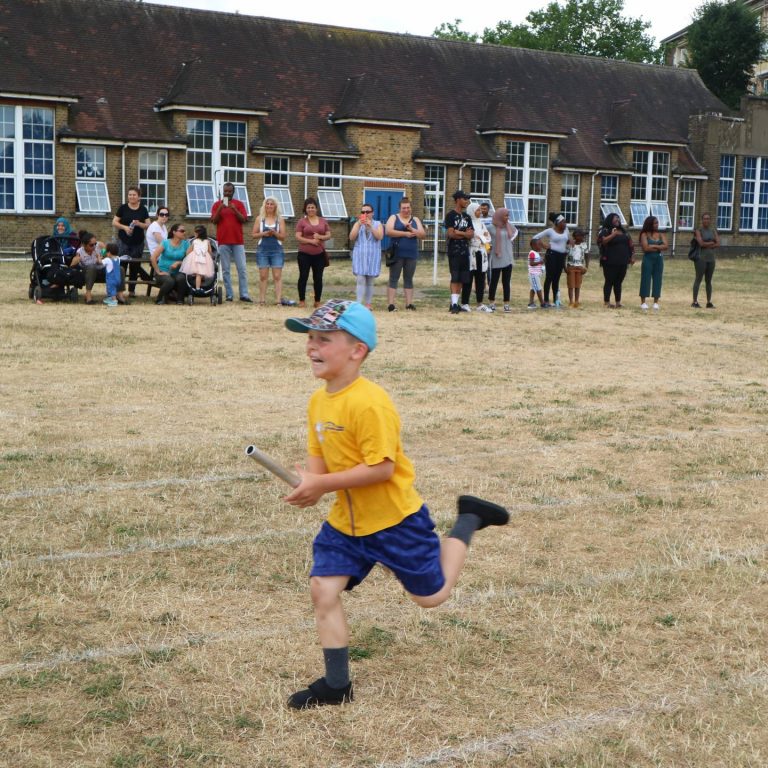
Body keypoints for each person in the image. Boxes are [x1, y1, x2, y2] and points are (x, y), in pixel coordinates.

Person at [282, 298, 510, 709]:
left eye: (324, 339)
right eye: (310, 337)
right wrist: (309, 486)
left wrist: (322, 483)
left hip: (394, 521)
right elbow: (320, 466)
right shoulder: (318, 402)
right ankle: (337, 686)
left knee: (431, 597)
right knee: (323, 589)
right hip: (346, 525)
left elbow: (382, 468)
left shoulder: (370, 402)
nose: (312, 346)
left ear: (357, 351)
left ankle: (469, 518)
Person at [211, 182, 252, 303]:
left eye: (229, 191)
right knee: (226, 270)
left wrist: (234, 209)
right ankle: (229, 294)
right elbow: (214, 220)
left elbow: (244, 220)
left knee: (242, 269)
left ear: (233, 192)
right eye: (225, 191)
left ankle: (244, 294)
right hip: (223, 241)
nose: (227, 193)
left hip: (238, 241)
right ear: (222, 192)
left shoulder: (239, 204)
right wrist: (220, 208)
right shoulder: (216, 205)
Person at [384, 197, 425, 312]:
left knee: (409, 278)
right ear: (400, 208)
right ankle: (391, 304)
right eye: (404, 208)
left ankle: (409, 304)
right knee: (393, 278)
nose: (406, 210)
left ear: (411, 208)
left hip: (411, 254)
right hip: (397, 254)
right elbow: (388, 231)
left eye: (408, 207)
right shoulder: (394, 217)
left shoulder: (415, 219)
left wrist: (412, 229)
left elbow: (422, 235)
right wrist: (405, 234)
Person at [113, 186, 151, 299]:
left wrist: (139, 224)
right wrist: (125, 227)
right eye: (130, 195)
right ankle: (119, 290)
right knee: (122, 265)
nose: (131, 197)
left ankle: (132, 291)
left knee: (135, 266)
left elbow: (148, 225)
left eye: (134, 195)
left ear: (139, 197)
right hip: (123, 241)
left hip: (138, 242)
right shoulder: (123, 208)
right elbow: (114, 222)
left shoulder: (143, 209)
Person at [295, 197, 331, 308]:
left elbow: (329, 235)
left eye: (313, 207)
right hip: (304, 255)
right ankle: (302, 300)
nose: (310, 209)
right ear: (305, 209)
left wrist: (320, 237)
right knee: (303, 276)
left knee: (318, 278)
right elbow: (298, 237)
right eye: (308, 207)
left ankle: (317, 301)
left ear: (316, 208)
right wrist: (311, 241)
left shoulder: (323, 221)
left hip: (319, 255)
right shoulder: (301, 221)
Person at [252, 196, 287, 305]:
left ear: (275, 206)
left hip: (277, 251)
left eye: (272, 204)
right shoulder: (259, 219)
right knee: (263, 276)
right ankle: (262, 300)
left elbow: (283, 237)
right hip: (262, 251)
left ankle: (278, 300)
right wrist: (264, 233)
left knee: (277, 276)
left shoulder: (280, 220)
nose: (269, 206)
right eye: (267, 204)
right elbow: (254, 235)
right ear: (264, 205)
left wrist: (275, 233)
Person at [445, 190, 474, 314]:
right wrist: (464, 234)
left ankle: (456, 303)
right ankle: (453, 304)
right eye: (464, 199)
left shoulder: (467, 217)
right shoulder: (451, 215)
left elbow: (471, 234)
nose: (467, 201)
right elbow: (451, 234)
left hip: (464, 251)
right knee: (455, 277)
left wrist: (459, 232)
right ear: (458, 200)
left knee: (462, 278)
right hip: (454, 251)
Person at [349, 203, 383, 308]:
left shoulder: (377, 224)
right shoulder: (357, 224)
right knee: (360, 279)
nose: (365, 214)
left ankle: (368, 304)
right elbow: (351, 237)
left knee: (370, 281)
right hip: (360, 256)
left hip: (373, 256)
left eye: (368, 212)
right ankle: (359, 304)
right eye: (363, 212)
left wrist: (371, 226)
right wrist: (358, 225)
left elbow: (379, 236)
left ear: (372, 213)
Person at [597, 212, 634, 308]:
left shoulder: (624, 231)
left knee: (618, 282)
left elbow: (630, 244)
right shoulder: (605, 231)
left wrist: (632, 256)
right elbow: (602, 241)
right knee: (609, 281)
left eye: (618, 218)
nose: (618, 219)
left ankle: (618, 302)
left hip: (623, 261)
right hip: (609, 261)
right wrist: (614, 234)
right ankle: (607, 302)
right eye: (615, 218)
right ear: (610, 220)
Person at [533, 212, 570, 307]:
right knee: (549, 277)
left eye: (565, 222)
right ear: (557, 223)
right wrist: (544, 245)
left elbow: (567, 241)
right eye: (563, 222)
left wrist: (570, 245)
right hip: (552, 255)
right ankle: (546, 300)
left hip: (561, 256)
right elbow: (535, 237)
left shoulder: (566, 230)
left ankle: (556, 300)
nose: (565, 224)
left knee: (557, 278)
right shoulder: (550, 231)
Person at [487, 207, 517, 313]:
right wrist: (488, 247)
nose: (507, 217)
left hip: (508, 258)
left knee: (506, 282)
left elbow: (514, 233)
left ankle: (506, 304)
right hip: (497, 258)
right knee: (494, 281)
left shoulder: (509, 226)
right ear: (499, 216)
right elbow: (485, 238)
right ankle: (491, 302)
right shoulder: (490, 227)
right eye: (505, 215)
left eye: (508, 215)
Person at [150, 223, 188, 305]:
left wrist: (179, 262)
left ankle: (180, 300)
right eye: (182, 231)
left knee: (181, 278)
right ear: (174, 232)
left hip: (178, 272)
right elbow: (153, 258)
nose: (184, 232)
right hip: (163, 271)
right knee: (169, 280)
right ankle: (159, 299)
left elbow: (189, 260)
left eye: (184, 231)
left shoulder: (186, 244)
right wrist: (158, 271)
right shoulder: (165, 243)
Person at [464, 202, 493, 312]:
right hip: (472, 252)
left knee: (481, 278)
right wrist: (480, 236)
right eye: (477, 210)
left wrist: (481, 237)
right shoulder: (468, 223)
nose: (480, 212)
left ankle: (480, 303)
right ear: (472, 211)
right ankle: (465, 303)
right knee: (469, 278)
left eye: (480, 210)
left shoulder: (480, 223)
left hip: (481, 251)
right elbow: (471, 237)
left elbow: (487, 236)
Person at [639, 215, 667, 311]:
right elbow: (645, 248)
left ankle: (656, 302)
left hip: (658, 259)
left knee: (658, 279)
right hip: (648, 259)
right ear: (650, 224)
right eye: (655, 223)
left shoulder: (661, 234)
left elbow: (666, 246)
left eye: (657, 223)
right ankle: (643, 302)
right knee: (645, 279)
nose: (657, 225)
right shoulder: (644, 234)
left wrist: (653, 246)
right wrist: (659, 247)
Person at [72, 230, 108, 305]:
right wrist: (76, 260)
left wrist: (103, 255)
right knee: (91, 267)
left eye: (95, 244)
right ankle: (88, 295)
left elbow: (105, 249)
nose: (94, 246)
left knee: (119, 268)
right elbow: (72, 265)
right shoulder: (80, 252)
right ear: (84, 245)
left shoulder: (98, 246)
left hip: (100, 269)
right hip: (88, 272)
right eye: (91, 245)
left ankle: (118, 295)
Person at [692, 212, 719, 309]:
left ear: (710, 220)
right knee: (698, 279)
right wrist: (711, 243)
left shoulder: (713, 231)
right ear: (702, 220)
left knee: (709, 280)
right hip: (701, 258)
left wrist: (707, 243)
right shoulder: (698, 231)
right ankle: (695, 301)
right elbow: (701, 243)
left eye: (708, 218)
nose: (706, 220)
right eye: (705, 218)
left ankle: (709, 302)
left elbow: (718, 244)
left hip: (711, 258)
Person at [181, 225, 215, 291]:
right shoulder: (207, 241)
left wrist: (187, 257)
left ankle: (197, 288)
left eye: (195, 233)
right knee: (200, 273)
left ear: (197, 234)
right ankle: (199, 286)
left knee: (198, 274)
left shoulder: (195, 241)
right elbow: (210, 251)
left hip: (195, 259)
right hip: (204, 259)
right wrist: (210, 257)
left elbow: (188, 251)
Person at [565, 228, 589, 308]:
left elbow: (587, 256)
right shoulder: (570, 245)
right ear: (575, 236)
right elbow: (564, 256)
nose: (582, 237)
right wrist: (565, 267)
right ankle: (571, 301)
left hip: (580, 267)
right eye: (581, 236)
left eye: (583, 236)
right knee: (571, 285)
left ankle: (576, 301)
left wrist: (586, 267)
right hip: (571, 267)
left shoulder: (584, 245)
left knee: (578, 285)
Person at [101, 242, 127, 307]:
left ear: (109, 253)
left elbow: (100, 262)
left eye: (106, 251)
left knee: (111, 290)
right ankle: (110, 298)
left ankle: (114, 301)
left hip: (111, 279)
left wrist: (99, 257)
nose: (106, 253)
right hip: (118, 279)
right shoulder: (118, 258)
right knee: (114, 289)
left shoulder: (107, 259)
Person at [527, 238, 546, 309]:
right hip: (533, 275)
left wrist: (543, 261)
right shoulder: (532, 253)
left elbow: (539, 262)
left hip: (536, 274)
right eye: (539, 245)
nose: (540, 246)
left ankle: (531, 303)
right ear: (534, 246)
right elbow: (531, 263)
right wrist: (540, 262)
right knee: (538, 288)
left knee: (533, 288)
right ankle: (542, 303)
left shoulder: (537, 253)